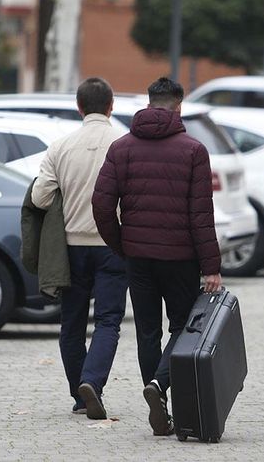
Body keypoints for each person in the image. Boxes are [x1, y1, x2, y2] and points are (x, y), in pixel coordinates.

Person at [92, 77, 222, 436]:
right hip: (181, 259)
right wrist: (211, 266)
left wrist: (122, 245)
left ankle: (156, 395)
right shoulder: (194, 151)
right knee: (182, 326)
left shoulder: (121, 148)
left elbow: (102, 205)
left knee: (147, 331)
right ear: (178, 106)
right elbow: (201, 215)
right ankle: (160, 386)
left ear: (149, 104)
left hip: (138, 258)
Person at [31, 77, 128, 420]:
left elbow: (39, 197)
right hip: (112, 245)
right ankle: (93, 383)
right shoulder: (123, 143)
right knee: (108, 321)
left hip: (70, 247)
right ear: (111, 106)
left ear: (79, 107)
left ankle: (79, 394)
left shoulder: (60, 146)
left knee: (71, 324)